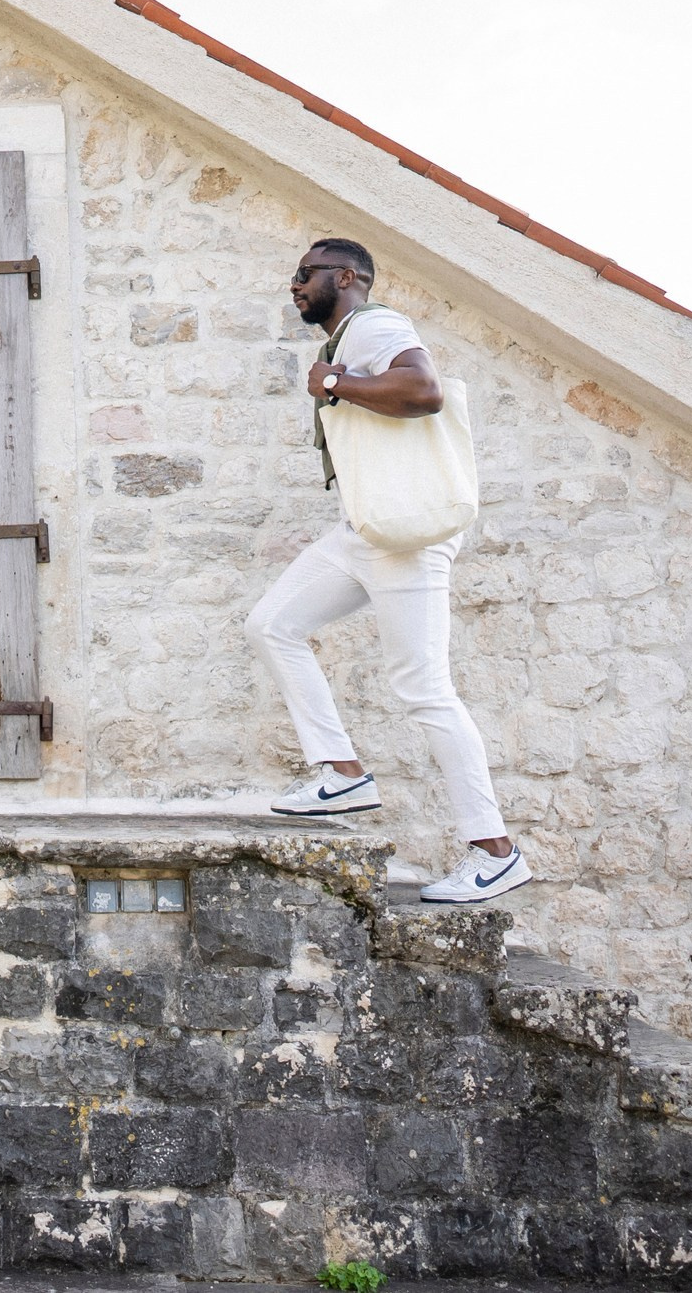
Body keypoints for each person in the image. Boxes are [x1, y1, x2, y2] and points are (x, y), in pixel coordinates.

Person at [245, 236, 530, 904]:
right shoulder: (347, 336)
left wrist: (337, 382)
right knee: (272, 625)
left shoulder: (377, 325)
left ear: (347, 276)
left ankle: (495, 850)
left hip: (406, 536)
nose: (294, 284)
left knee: (424, 689)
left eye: (305, 273)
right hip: (366, 529)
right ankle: (341, 769)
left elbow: (423, 388)